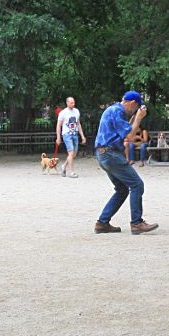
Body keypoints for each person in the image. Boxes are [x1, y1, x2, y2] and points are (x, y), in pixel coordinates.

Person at [93, 91, 158, 234]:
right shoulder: (117, 111)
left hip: (103, 154)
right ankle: (137, 223)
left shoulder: (113, 110)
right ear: (133, 103)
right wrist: (139, 118)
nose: (134, 112)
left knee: (122, 189)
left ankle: (102, 223)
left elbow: (125, 131)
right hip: (110, 154)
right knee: (137, 184)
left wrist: (135, 118)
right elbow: (129, 135)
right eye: (135, 109)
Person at [55, 96, 87, 178]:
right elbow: (58, 125)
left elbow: (78, 124)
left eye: (74, 102)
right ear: (67, 103)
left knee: (74, 154)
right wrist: (58, 137)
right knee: (71, 152)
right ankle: (71, 172)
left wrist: (82, 136)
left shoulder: (76, 111)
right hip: (66, 134)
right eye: (71, 102)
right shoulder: (63, 113)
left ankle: (63, 166)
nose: (73, 104)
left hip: (75, 134)